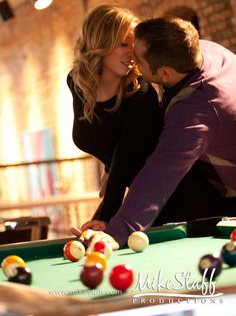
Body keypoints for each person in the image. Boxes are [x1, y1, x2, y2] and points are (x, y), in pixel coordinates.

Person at [72, 16, 236, 252]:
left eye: (138, 57)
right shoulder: (201, 50)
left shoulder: (197, 110)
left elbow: (160, 173)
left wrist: (117, 231)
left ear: (165, 74)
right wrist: (112, 167)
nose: (132, 58)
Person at [67, 5, 163, 233]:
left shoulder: (141, 95)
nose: (132, 53)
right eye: (123, 44)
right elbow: (110, 143)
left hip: (170, 196)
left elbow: (126, 160)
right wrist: (110, 167)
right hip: (140, 195)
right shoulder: (78, 83)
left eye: (135, 45)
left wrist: (105, 218)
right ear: (100, 42)